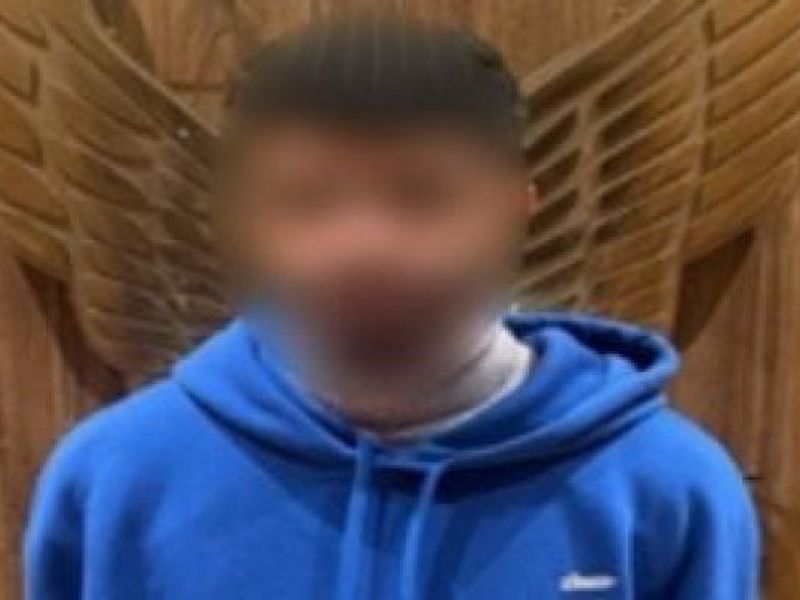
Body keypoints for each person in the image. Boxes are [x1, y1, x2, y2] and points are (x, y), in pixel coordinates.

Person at [24, 14, 759, 600]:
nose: (363, 244)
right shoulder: (117, 475)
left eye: (421, 195)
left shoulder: (664, 484)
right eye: (308, 199)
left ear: (515, 206)